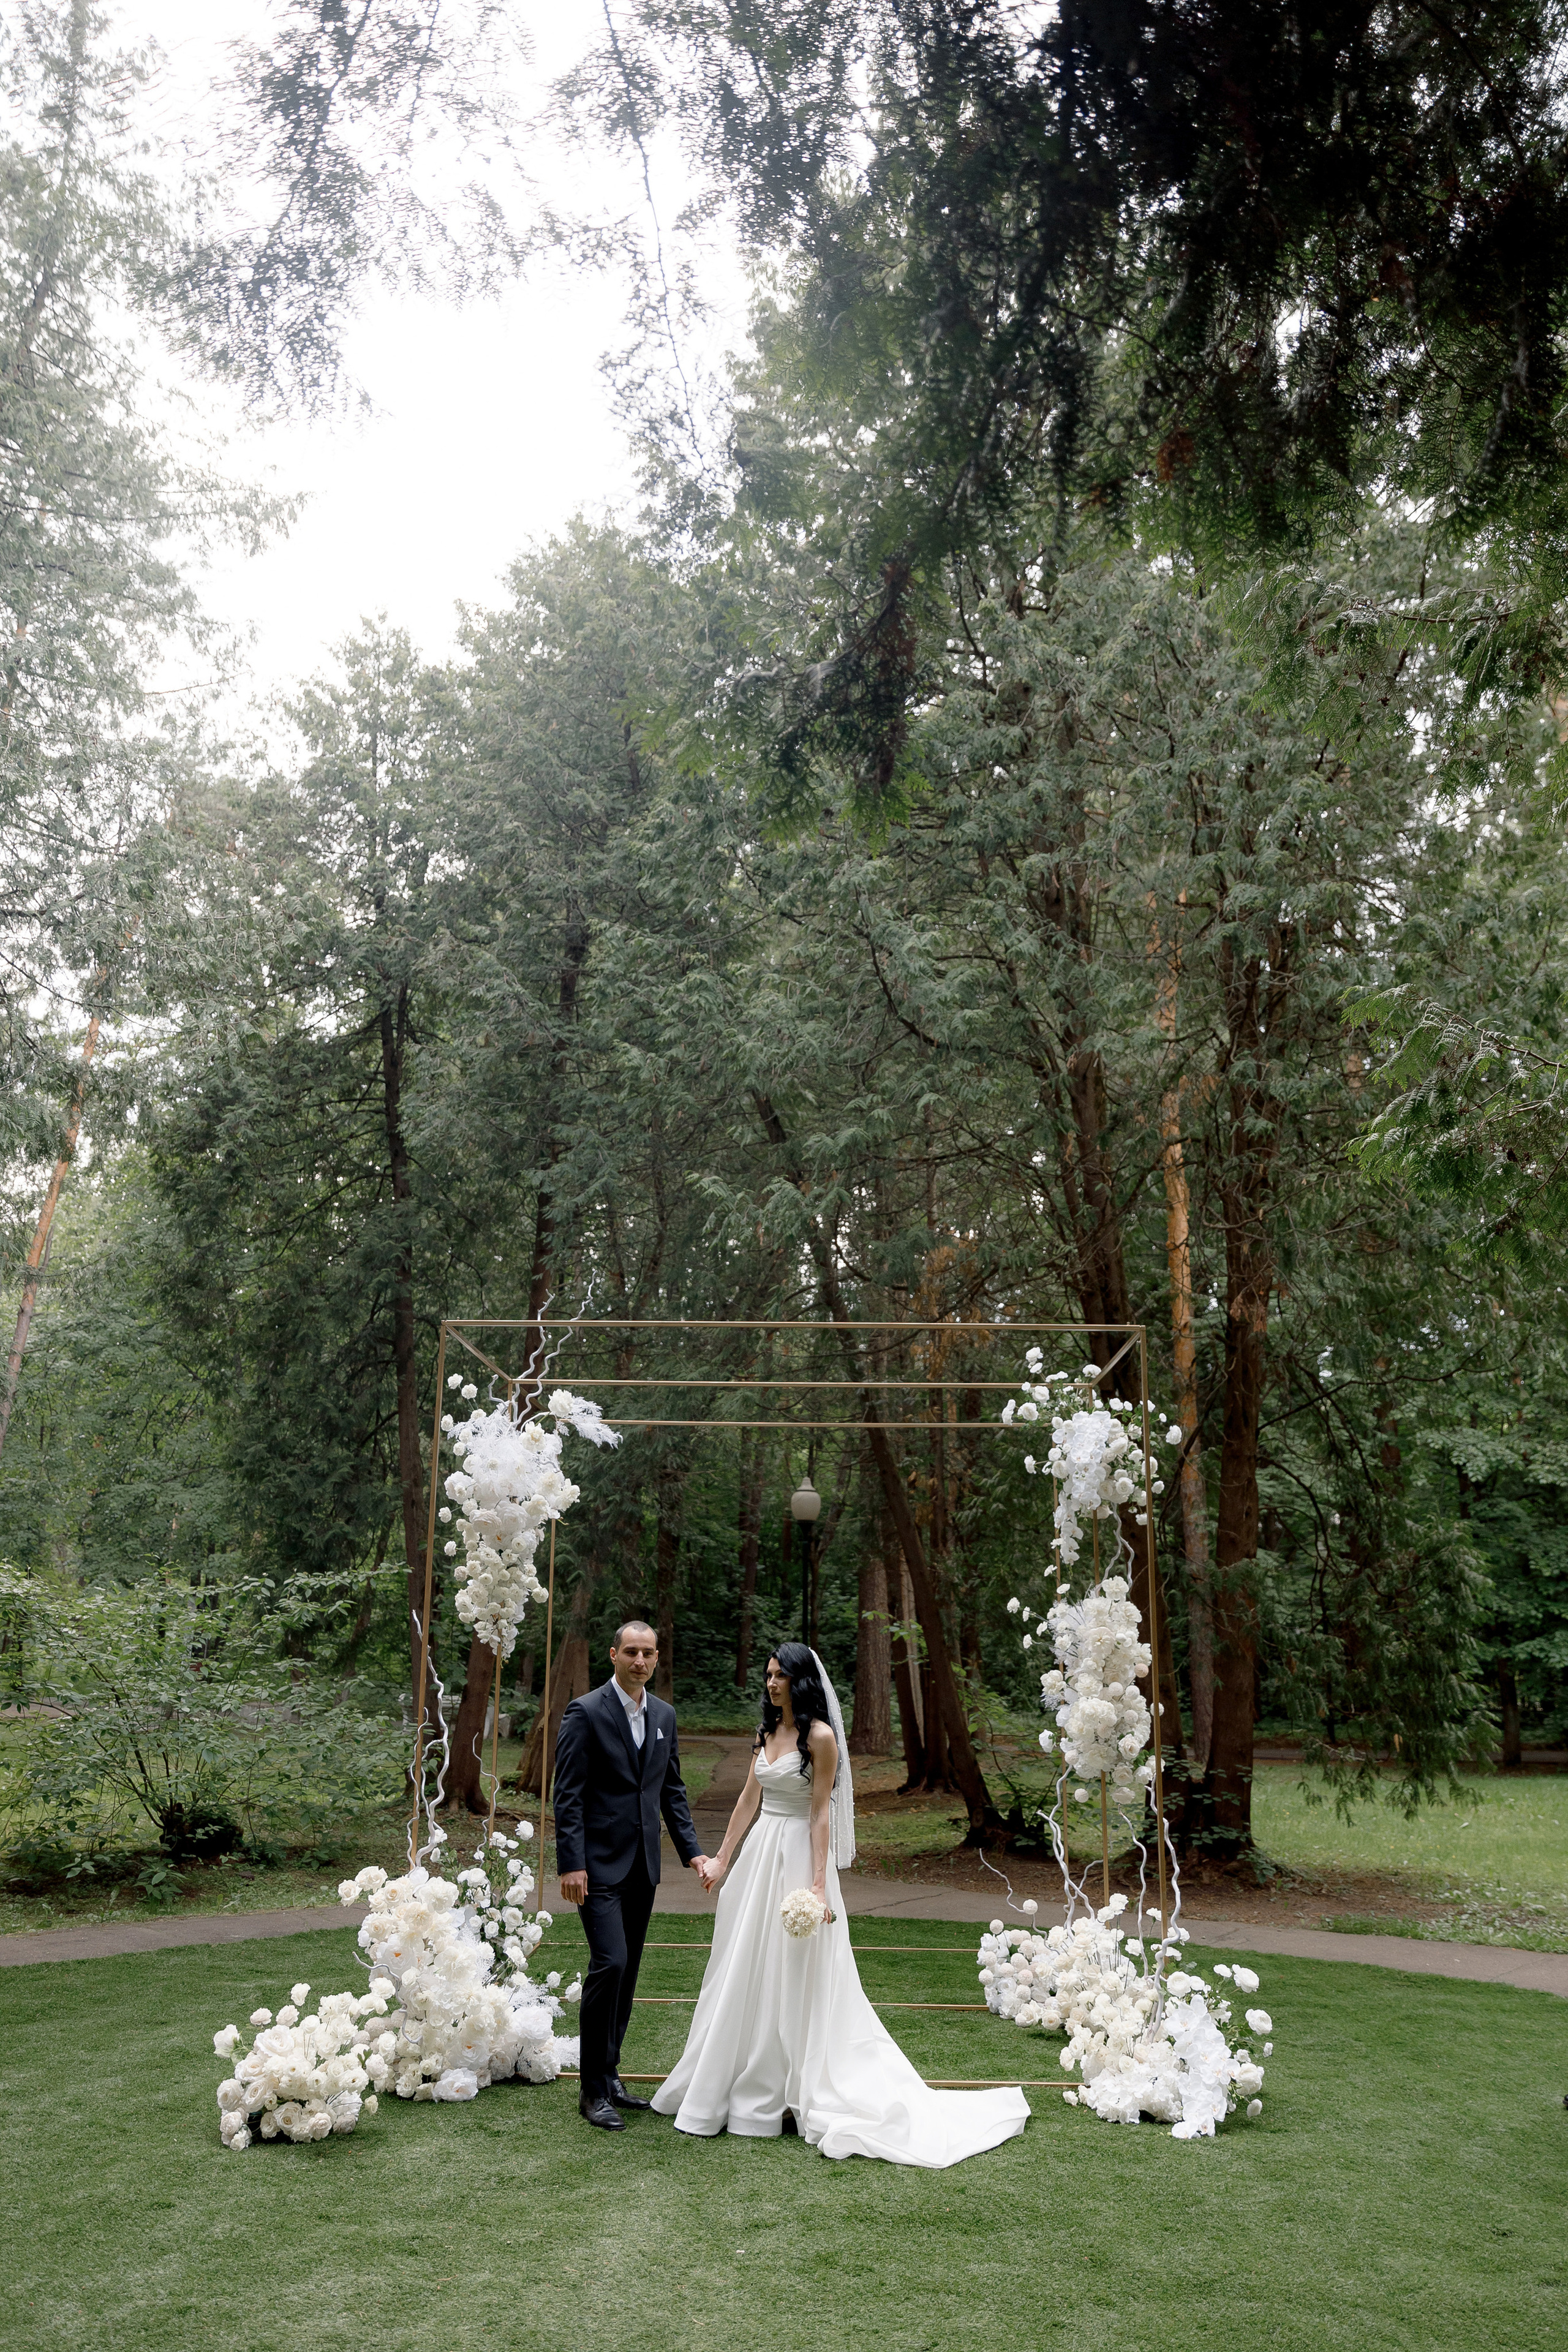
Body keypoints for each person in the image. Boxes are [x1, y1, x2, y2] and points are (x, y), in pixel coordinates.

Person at [652, 1643, 1030, 2166]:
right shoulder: (765, 1733)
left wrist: (818, 1886)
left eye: (781, 1676)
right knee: (744, 1963)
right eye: (768, 1675)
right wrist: (721, 1859)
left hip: (798, 1858)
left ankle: (792, 2085)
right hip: (760, 1853)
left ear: (802, 1681)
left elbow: (820, 1815)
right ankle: (732, 2078)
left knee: (797, 1968)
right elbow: (747, 1799)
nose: (772, 1684)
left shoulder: (820, 1738)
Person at [553, 1619, 710, 2132]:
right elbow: (569, 1795)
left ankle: (611, 2072)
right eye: (631, 1653)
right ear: (614, 1655)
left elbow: (671, 1791)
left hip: (644, 1865)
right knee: (611, 1965)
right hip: (595, 1868)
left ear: (658, 1659)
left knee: (628, 1975)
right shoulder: (586, 1712)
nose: (639, 1661)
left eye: (648, 1654)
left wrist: (693, 1854)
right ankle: (592, 2089)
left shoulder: (663, 1714)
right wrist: (570, 1863)